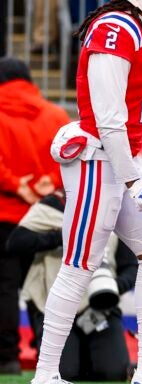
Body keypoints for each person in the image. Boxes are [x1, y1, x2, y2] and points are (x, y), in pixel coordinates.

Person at [31, 0, 142, 383]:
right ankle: (46, 374)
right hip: (97, 163)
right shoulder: (115, 30)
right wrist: (133, 178)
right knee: (78, 265)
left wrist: (131, 173)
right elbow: (107, 120)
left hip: (118, 161)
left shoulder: (138, 29)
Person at [7, 190, 138, 382]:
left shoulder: (113, 208)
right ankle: (72, 355)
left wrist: (111, 288)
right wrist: (64, 237)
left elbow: (131, 266)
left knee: (113, 372)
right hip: (55, 305)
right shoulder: (52, 204)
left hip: (98, 308)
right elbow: (15, 242)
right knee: (64, 371)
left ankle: (84, 355)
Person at [0, 57, 70, 375]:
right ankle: (50, 356)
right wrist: (49, 183)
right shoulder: (56, 115)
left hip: (5, 215)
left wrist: (16, 184)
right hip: (44, 216)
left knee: (5, 286)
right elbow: (70, 162)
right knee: (46, 285)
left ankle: (7, 357)